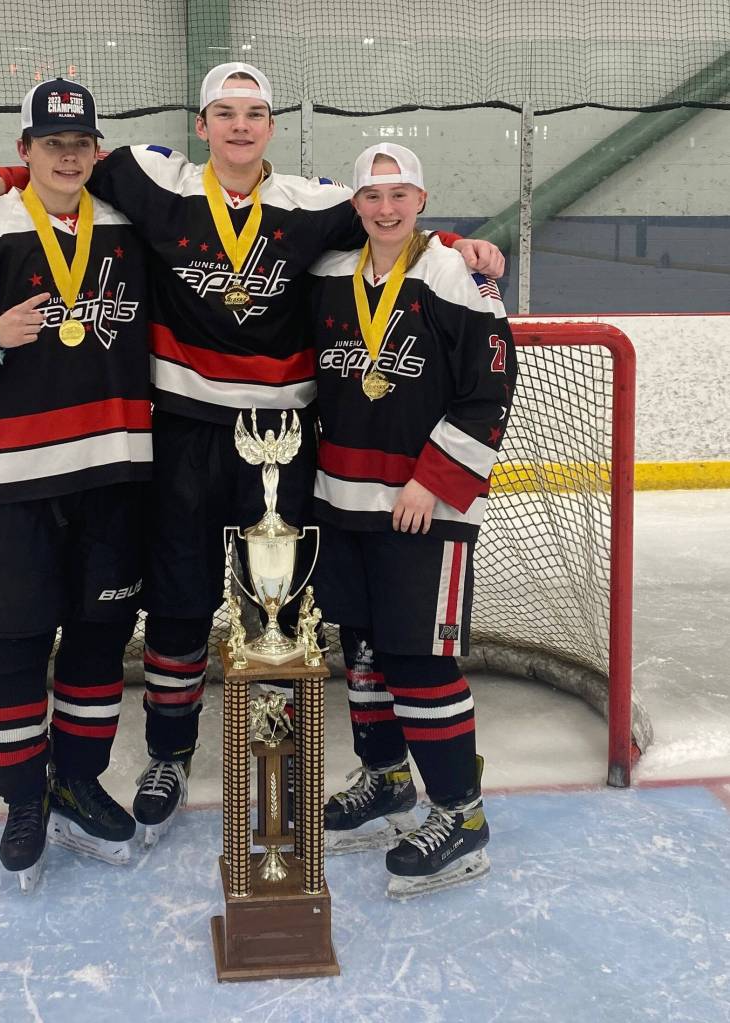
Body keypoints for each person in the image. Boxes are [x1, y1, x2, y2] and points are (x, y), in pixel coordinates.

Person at [0, 63, 506, 848]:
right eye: (224, 114)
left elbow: (396, 227)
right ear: (200, 124)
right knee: (176, 607)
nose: (240, 127)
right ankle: (169, 755)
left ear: (271, 127)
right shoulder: (153, 181)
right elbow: (58, 167)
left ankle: (273, 753)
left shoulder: (314, 205)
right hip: (179, 437)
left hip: (281, 445)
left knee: (273, 611)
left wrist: (458, 242)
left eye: (254, 114)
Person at [0, 79, 152, 891]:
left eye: (80, 142)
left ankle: (78, 778)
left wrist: (450, 246)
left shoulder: (128, 223)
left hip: (113, 474)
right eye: (51, 145)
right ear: (25, 150)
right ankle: (23, 797)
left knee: (96, 640)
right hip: (13, 483)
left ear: (97, 148)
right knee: (12, 645)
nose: (67, 155)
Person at [309, 143, 517, 897]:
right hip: (345, 501)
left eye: (400, 195)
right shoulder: (332, 273)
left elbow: (489, 391)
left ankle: (461, 815)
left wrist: (433, 481)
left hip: (426, 510)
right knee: (363, 654)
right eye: (373, 196)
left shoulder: (457, 274)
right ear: (355, 203)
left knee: (421, 661)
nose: (386, 209)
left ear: (423, 199)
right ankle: (389, 779)